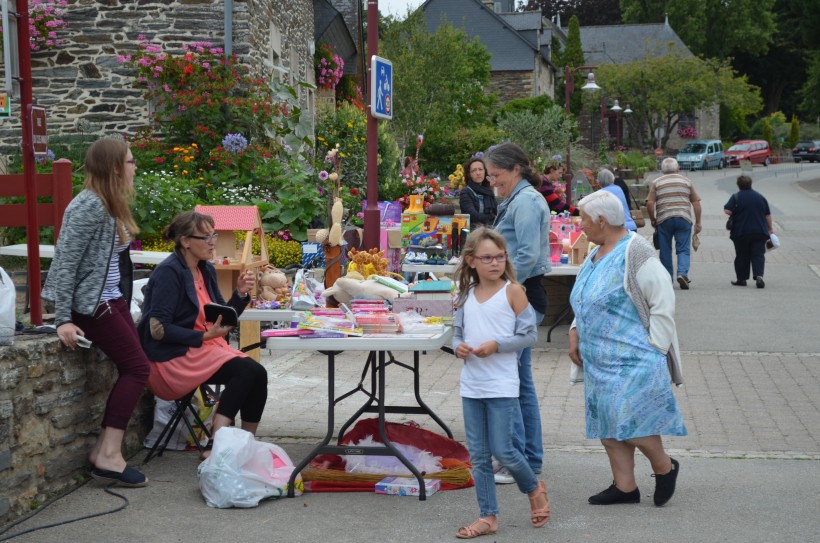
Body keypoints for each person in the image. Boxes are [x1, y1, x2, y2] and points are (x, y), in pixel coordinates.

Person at [42, 137, 150, 487]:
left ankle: (105, 451)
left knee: (136, 365)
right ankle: (108, 455)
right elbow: (66, 261)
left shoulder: (109, 204)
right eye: (131, 162)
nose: (136, 167)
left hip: (111, 298)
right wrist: (63, 319)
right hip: (90, 306)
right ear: (116, 167)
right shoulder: (88, 206)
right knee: (137, 369)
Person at [568, 190, 686, 507]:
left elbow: (663, 304)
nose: (581, 225)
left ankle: (664, 467)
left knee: (633, 422)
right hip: (599, 360)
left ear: (601, 221)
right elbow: (584, 300)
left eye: (584, 219)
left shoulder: (637, 253)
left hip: (633, 359)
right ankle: (625, 488)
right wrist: (575, 331)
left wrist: (655, 349)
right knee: (608, 424)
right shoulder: (596, 252)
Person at [138, 211, 268, 457]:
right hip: (171, 357)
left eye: (214, 235)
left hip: (202, 349)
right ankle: (216, 443)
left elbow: (221, 316)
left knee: (258, 373)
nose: (213, 242)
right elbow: (159, 330)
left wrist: (240, 294)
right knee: (246, 370)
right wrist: (204, 337)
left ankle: (247, 442)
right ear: (186, 241)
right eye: (205, 237)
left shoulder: (205, 269)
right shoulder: (169, 272)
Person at [452, 227, 549, 538]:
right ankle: (488, 516)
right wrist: (459, 347)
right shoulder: (465, 295)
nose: (494, 263)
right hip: (472, 385)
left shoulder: (514, 292)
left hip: (502, 385)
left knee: (505, 451)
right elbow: (456, 334)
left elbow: (529, 335)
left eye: (499, 257)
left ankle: (533, 488)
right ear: (471, 261)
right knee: (478, 456)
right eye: (486, 258)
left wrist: (498, 345)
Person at [486, 142, 549, 483]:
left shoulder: (524, 201)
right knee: (519, 382)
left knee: (515, 384)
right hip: (519, 297)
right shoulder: (517, 198)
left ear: (515, 169)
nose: (493, 182)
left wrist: (500, 293)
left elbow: (525, 255)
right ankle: (525, 458)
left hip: (521, 299)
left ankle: (522, 460)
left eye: (496, 175)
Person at [646, 157, 702, 290]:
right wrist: (698, 222)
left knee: (665, 250)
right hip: (683, 219)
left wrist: (653, 219)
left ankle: (667, 278)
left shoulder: (657, 182)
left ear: (662, 170)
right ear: (677, 169)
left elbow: (649, 203)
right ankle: (682, 273)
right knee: (683, 249)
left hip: (664, 220)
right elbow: (696, 203)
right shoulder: (686, 181)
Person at [724, 174, 773, 288]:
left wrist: (736, 211)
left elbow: (727, 210)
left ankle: (741, 279)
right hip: (760, 231)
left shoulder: (736, 197)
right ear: (751, 183)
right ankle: (759, 277)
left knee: (742, 255)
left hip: (741, 232)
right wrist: (770, 228)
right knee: (758, 255)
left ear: (738, 185)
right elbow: (767, 215)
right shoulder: (760, 197)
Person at [459, 156, 498, 229]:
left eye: (480, 169)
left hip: (490, 230)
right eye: (474, 170)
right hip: (473, 232)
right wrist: (492, 217)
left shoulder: (489, 192)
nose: (478, 173)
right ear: (469, 174)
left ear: (485, 172)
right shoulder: (466, 192)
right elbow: (472, 216)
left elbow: (497, 212)